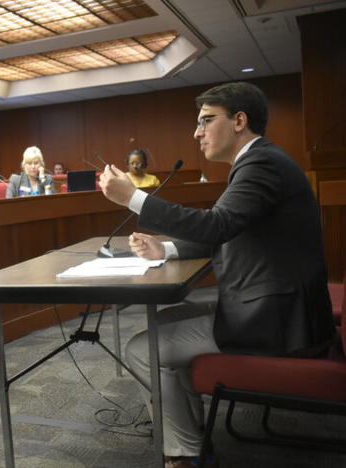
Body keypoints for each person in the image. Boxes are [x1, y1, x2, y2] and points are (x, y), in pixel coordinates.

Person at [98, 82, 335, 468]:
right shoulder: (259, 162)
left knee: (141, 349)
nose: (197, 132)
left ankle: (186, 454)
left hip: (278, 320)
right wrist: (168, 249)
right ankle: (191, 434)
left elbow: (217, 226)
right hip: (277, 305)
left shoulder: (261, 164)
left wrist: (133, 198)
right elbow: (228, 231)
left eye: (206, 121)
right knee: (166, 320)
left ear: (240, 120)